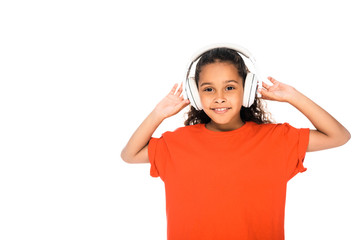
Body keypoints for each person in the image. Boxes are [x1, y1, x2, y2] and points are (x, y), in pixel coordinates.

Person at [121, 47, 350, 240]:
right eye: (208, 89)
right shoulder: (176, 143)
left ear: (247, 90)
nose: (219, 97)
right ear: (195, 93)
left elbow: (338, 136)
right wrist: (158, 114)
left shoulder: (276, 139)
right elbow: (129, 155)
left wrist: (294, 96)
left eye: (230, 87)